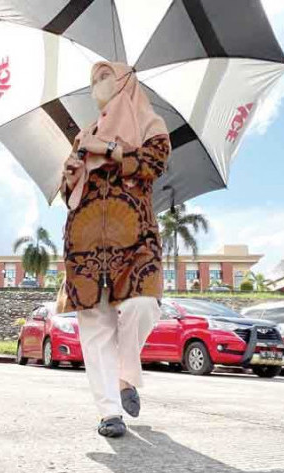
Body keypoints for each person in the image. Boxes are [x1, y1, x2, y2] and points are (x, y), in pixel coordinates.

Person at [59, 62, 171, 438]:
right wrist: (72, 171)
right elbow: (68, 195)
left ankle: (126, 373)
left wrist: (107, 148)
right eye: (92, 81)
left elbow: (153, 164)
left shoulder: (150, 124)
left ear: (124, 80)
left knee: (144, 305)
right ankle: (109, 411)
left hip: (135, 236)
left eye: (104, 77)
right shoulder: (84, 133)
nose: (96, 87)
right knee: (95, 328)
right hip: (86, 242)